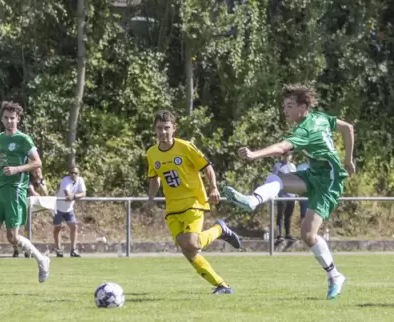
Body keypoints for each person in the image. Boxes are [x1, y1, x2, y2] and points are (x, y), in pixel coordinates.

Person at [224, 84, 355, 300]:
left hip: (329, 183)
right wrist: (348, 159)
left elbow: (281, 148)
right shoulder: (319, 117)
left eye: (290, 105)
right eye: (284, 106)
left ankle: (335, 276)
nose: (285, 110)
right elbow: (348, 128)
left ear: (303, 107)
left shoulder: (305, 129)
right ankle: (252, 200)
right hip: (313, 174)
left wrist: (255, 154)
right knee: (279, 179)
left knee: (308, 235)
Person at [145, 110, 241, 295]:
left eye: (167, 128)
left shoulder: (186, 147)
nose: (163, 132)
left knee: (192, 243)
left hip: (193, 202)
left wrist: (213, 188)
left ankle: (220, 229)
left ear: (174, 129)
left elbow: (207, 167)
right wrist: (150, 199)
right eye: (159, 128)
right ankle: (222, 285)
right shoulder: (152, 153)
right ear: (154, 130)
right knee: (188, 251)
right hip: (172, 207)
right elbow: (154, 178)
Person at [0, 101, 50, 285]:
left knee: (12, 237)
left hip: (16, 191)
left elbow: (37, 163)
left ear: (18, 119)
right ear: (2, 119)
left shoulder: (24, 139)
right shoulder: (0, 138)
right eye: (6, 118)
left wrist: (17, 169)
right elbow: (4, 161)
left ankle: (42, 259)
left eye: (12, 118)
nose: (9, 121)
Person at [13, 167, 49, 258]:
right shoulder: (28, 179)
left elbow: (46, 194)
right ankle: (16, 249)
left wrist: (41, 182)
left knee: (27, 229)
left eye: (39, 172)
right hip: (20, 205)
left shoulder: (41, 181)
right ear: (33, 172)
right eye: (36, 172)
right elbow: (32, 192)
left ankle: (26, 250)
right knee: (17, 228)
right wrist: (39, 195)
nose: (37, 173)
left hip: (29, 207)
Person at [53, 166, 86, 258]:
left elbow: (83, 193)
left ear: (78, 174)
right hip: (58, 207)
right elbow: (67, 195)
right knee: (57, 228)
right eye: (71, 173)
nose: (73, 175)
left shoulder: (80, 180)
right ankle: (58, 249)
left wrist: (75, 196)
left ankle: (73, 250)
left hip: (69, 209)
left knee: (74, 227)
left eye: (75, 173)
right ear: (69, 173)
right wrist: (75, 196)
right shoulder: (65, 180)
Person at [272, 153, 297, 241]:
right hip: (282, 194)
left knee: (289, 215)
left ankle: (288, 233)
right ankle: (279, 234)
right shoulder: (278, 166)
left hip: (292, 195)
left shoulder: (293, 166)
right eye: (286, 155)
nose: (287, 157)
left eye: (289, 155)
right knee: (280, 215)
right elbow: (274, 178)